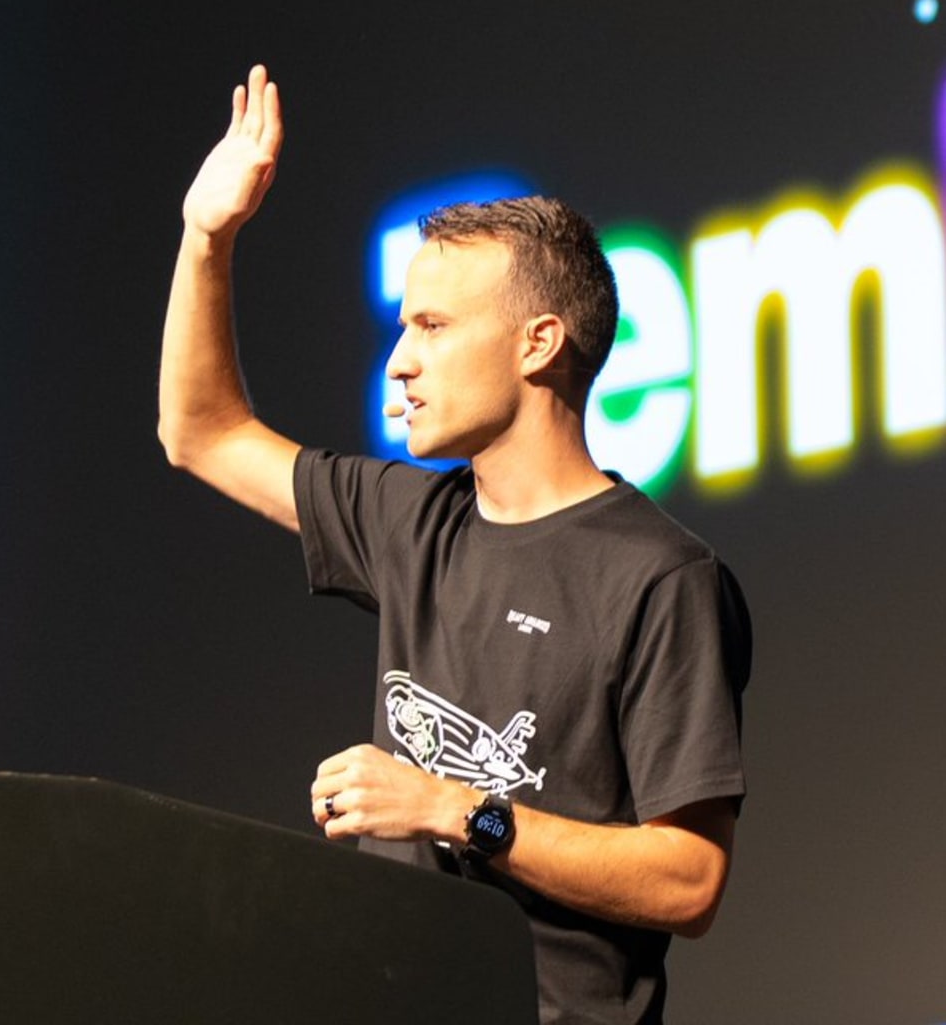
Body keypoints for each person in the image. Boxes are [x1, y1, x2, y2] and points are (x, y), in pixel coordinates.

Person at [158, 64, 752, 1025]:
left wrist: (452, 808)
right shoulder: (411, 520)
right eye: (403, 327)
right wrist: (206, 237)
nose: (400, 360)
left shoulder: (660, 575)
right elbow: (202, 433)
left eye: (433, 325)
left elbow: (688, 879)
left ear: (537, 343)